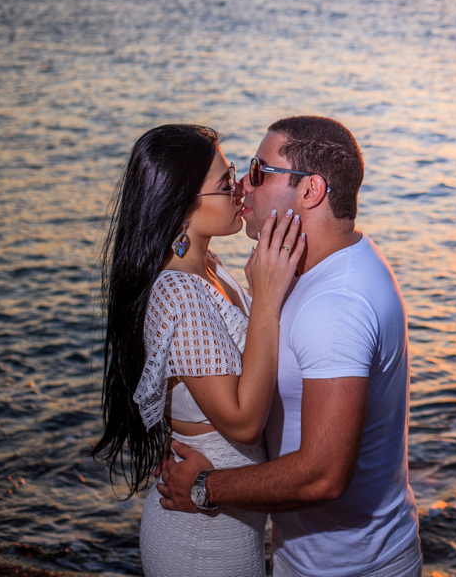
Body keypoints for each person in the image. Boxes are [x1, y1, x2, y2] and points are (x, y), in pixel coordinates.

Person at [158, 116, 421, 577]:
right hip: (306, 556)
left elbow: (323, 474)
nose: (243, 186)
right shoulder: (315, 264)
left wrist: (206, 485)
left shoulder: (335, 303)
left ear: (310, 191)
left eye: (259, 172)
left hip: (350, 568)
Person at [92, 124, 305, 577]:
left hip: (229, 527)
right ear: (183, 206)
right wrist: (265, 298)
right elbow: (244, 422)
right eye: (225, 184)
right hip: (199, 544)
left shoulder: (210, 268)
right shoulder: (179, 292)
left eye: (234, 174)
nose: (241, 188)